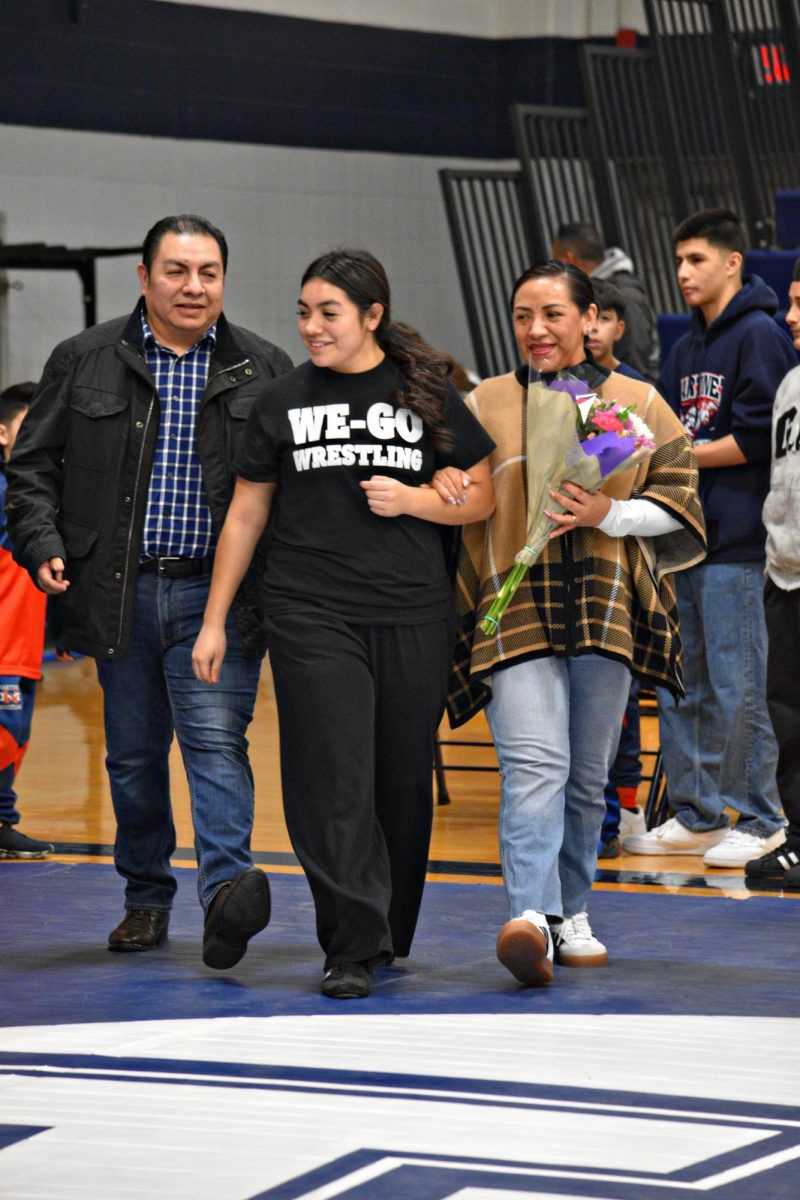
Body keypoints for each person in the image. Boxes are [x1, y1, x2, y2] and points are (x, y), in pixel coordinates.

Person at [192, 248, 495, 999]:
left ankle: (386, 931)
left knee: (398, 781)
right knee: (331, 776)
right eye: (304, 312)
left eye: (329, 313)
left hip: (413, 612)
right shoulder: (281, 400)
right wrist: (215, 619)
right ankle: (350, 944)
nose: (312, 327)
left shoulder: (428, 395)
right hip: (309, 608)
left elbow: (483, 496)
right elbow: (247, 511)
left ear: (372, 317)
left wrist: (417, 500)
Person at [6, 214, 293, 965]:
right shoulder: (84, 358)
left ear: (224, 280)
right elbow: (31, 467)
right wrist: (43, 545)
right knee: (133, 759)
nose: (193, 287)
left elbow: (289, 490)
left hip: (216, 597)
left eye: (208, 273)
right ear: (145, 278)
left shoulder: (264, 369)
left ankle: (228, 897)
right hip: (118, 594)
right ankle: (145, 899)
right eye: (177, 271)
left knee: (215, 743)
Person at [447, 260, 705, 986]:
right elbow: (463, 497)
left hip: (606, 610)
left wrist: (608, 513)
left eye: (553, 314)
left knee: (587, 778)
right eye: (523, 315)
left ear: (590, 320)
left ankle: (571, 911)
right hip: (515, 612)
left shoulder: (638, 401)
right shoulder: (483, 401)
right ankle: (530, 914)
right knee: (534, 767)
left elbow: (681, 501)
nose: (537, 330)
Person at [623, 208, 796, 867]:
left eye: (696, 260)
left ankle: (762, 815)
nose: (683, 274)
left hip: (742, 540)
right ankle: (695, 812)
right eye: (678, 262)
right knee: (682, 680)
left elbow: (757, 438)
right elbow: (666, 426)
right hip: (688, 538)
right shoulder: (688, 344)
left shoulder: (759, 335)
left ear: (733, 263)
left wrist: (679, 454)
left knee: (739, 683)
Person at [586, 281, 648, 857]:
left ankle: (620, 814)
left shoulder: (632, 398)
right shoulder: (544, 393)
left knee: (618, 714)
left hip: (615, 580)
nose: (593, 329)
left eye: (604, 318)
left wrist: (609, 509)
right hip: (556, 573)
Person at [746, 258, 800, 889]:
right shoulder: (790, 386)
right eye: (789, 301)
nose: (789, 316)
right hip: (784, 573)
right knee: (790, 716)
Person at [0, 383, 53, 860]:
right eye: (29, 426)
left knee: (16, 736)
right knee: (3, 734)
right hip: (3, 648)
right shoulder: (8, 493)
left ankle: (2, 821)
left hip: (25, 644)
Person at [553, 221, 660, 386]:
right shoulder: (583, 293)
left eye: (603, 318)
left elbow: (636, 366)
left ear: (568, 260)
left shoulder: (625, 296)